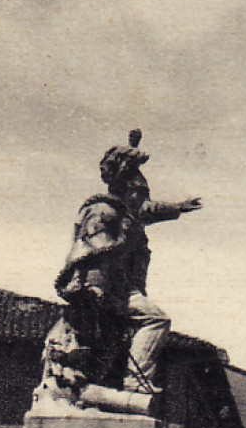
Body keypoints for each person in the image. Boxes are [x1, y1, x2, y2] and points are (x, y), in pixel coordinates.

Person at [53, 131, 201, 397]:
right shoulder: (103, 211)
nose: (143, 198)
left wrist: (178, 207)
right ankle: (136, 382)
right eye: (138, 192)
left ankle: (112, 386)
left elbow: (149, 209)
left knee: (111, 347)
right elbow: (92, 251)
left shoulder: (127, 214)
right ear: (124, 190)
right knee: (156, 319)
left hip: (123, 289)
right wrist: (95, 290)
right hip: (107, 290)